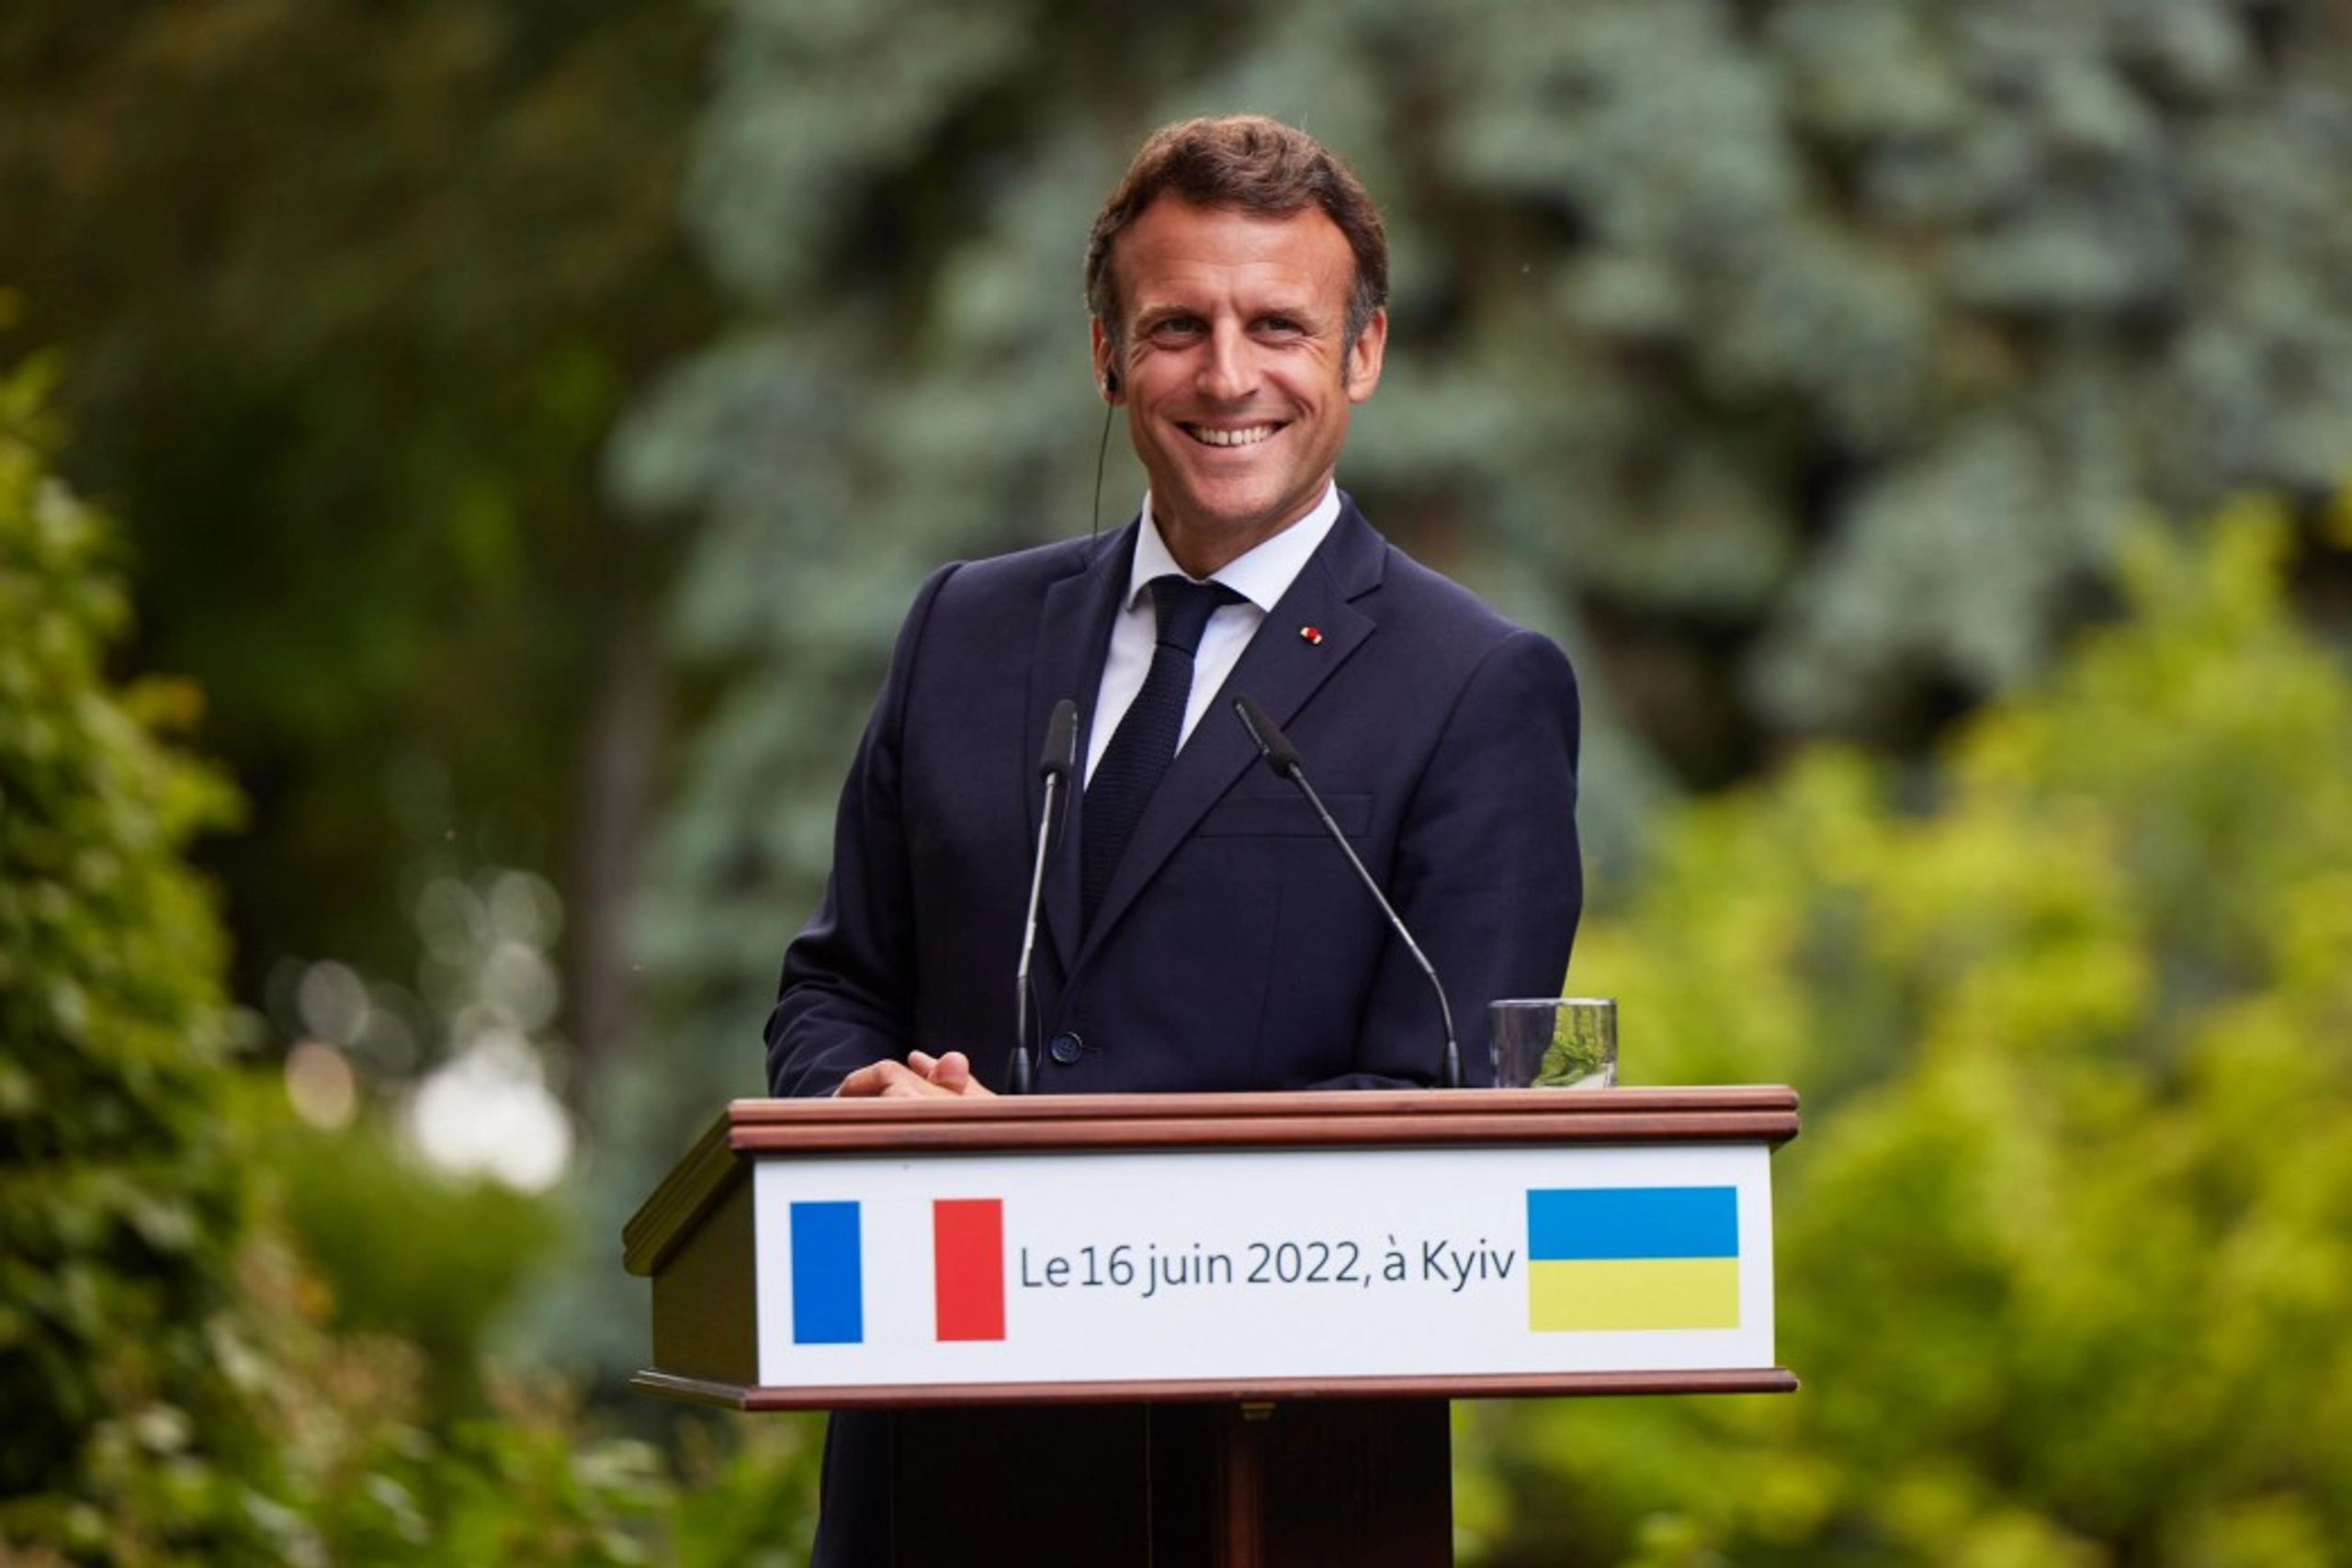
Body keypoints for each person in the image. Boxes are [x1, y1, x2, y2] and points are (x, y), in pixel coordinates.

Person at [764, 113, 1583, 1561]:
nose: (1226, 374)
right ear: (1105, 357)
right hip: (929, 1474)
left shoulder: (1474, 689)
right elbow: (834, 987)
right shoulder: (963, 629)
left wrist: (1061, 1194)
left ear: (1363, 355)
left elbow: (1445, 1113)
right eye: (1175, 325)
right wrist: (868, 1097)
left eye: (1280, 323)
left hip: (1275, 1486)